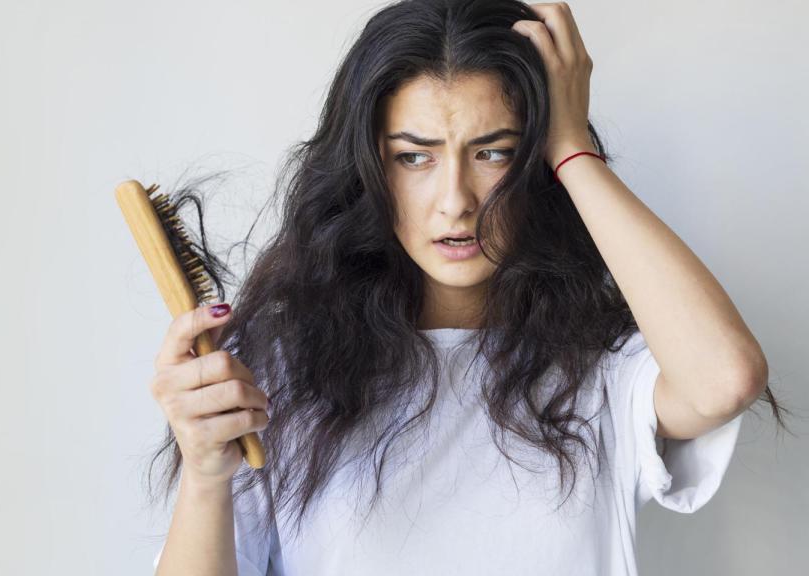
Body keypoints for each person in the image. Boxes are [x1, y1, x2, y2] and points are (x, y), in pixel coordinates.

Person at [144, 1, 790, 574]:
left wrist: (570, 147)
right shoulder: (281, 373)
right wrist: (204, 474)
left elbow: (727, 377)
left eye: (493, 152)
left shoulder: (600, 369)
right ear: (371, 167)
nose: (455, 202)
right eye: (414, 156)